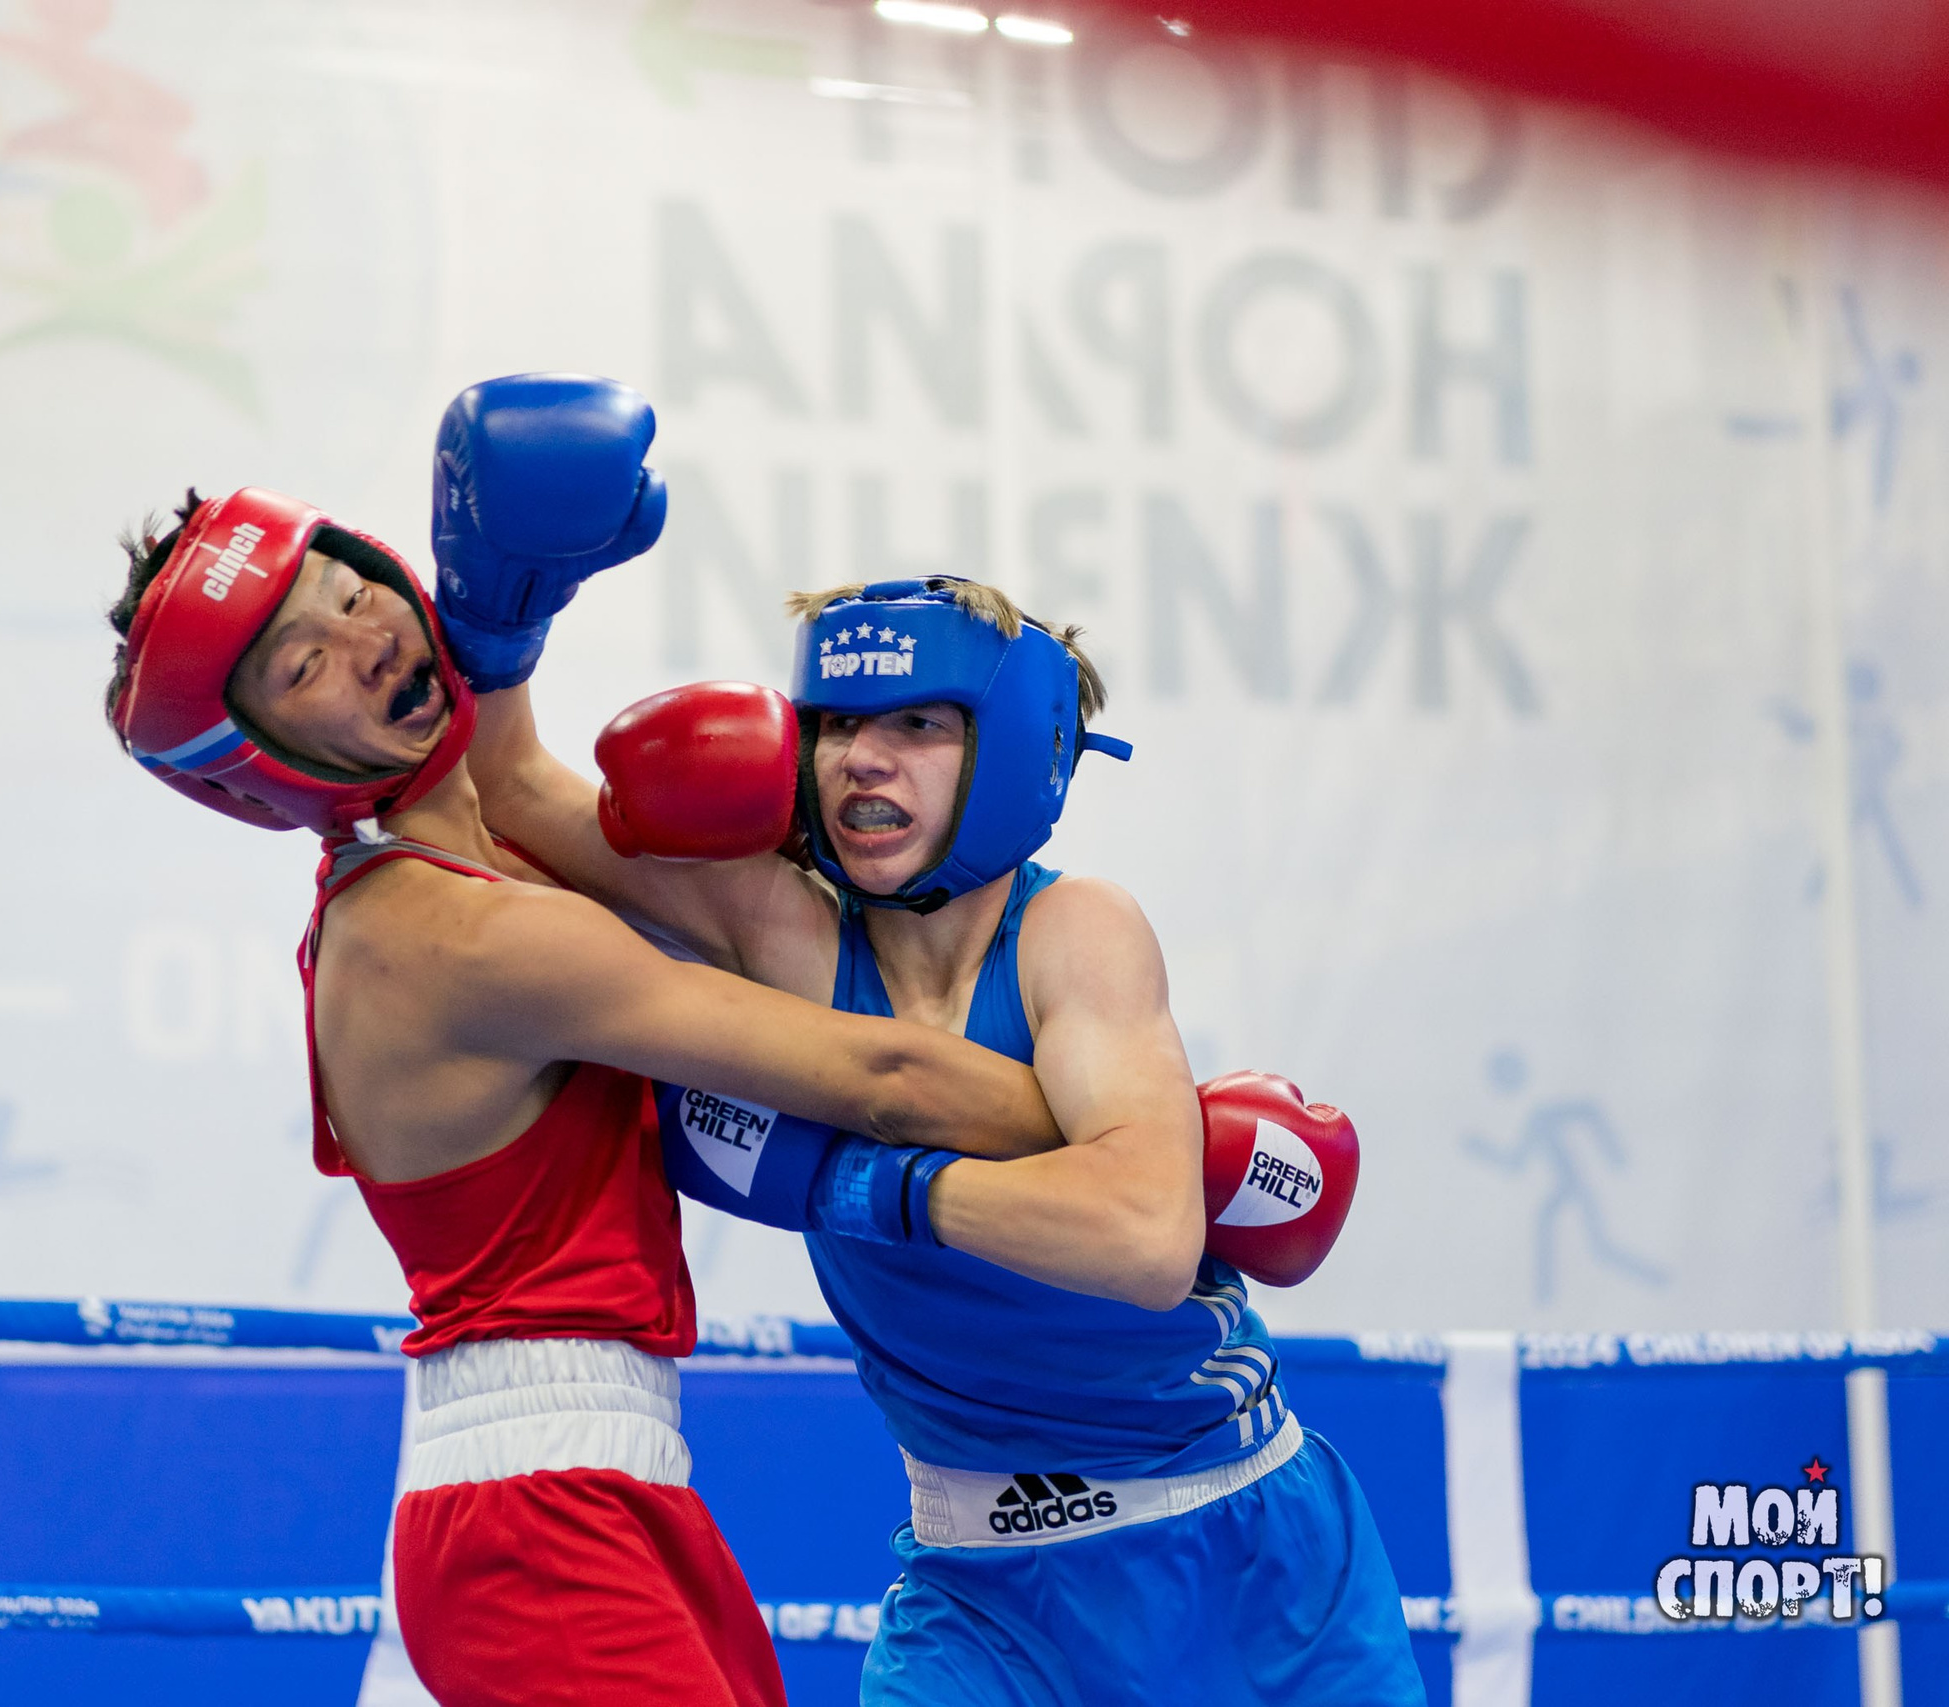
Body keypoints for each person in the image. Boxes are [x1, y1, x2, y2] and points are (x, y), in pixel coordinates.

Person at [450, 373, 1423, 1704]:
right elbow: (509, 794)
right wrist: (499, 611)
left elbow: (1143, 1235)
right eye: (843, 722)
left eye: (918, 724)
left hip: (1245, 1560)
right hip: (982, 1596)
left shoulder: (1076, 933)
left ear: (1011, 748)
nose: (863, 759)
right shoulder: (783, 932)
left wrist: (860, 1183)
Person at [101, 474, 1085, 1707]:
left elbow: (515, 778)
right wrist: (1146, 1148)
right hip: (536, 1515)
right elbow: (876, 1075)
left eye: (357, 595)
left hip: (596, 1478)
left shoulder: (478, 861)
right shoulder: (448, 935)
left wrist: (508, 630)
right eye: (305, 668)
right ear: (264, 760)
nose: (369, 645)